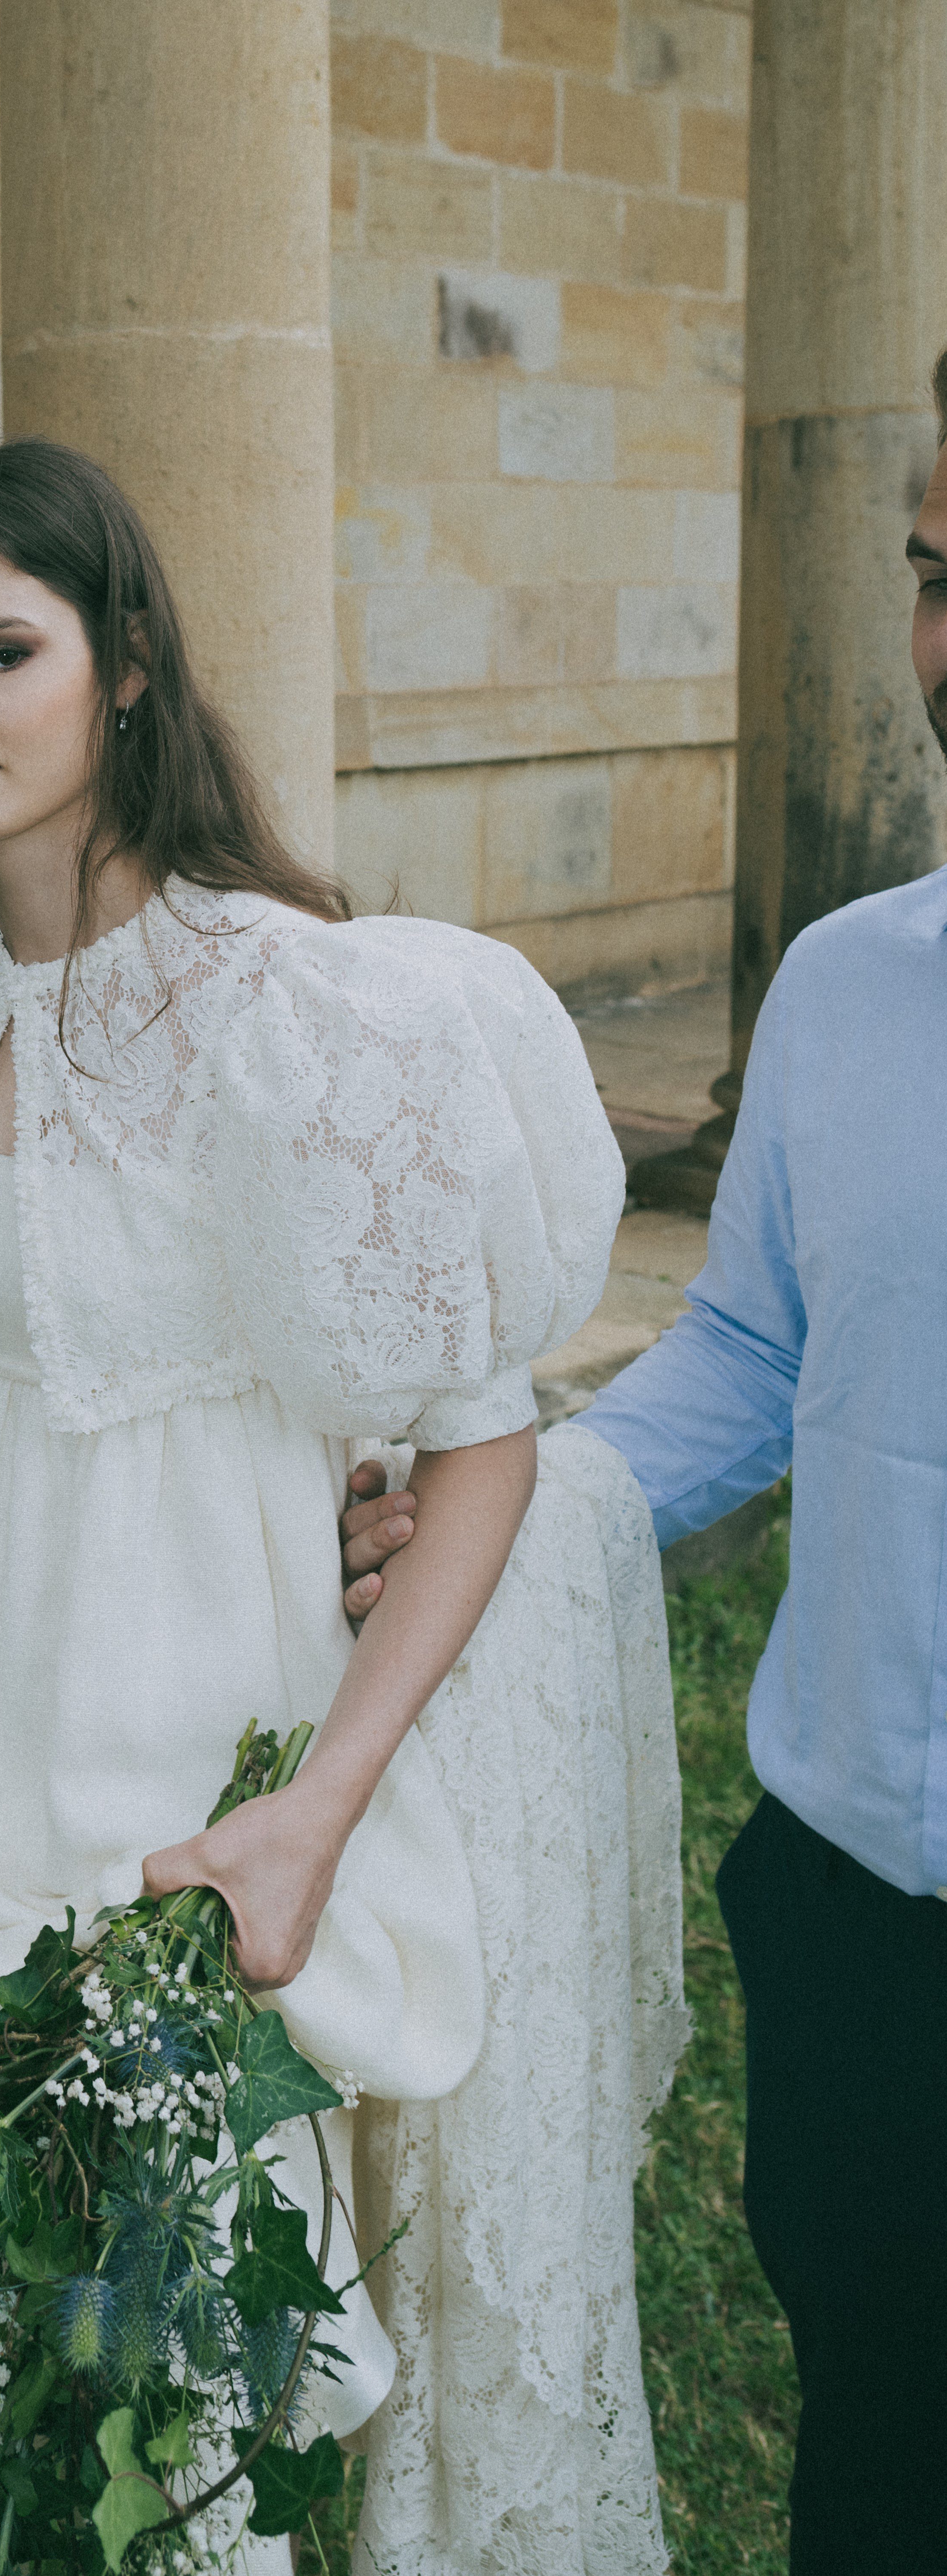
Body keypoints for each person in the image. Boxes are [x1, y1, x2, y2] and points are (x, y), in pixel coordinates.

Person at [0, 438, 688, 2573]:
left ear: (129, 666)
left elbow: (483, 1434)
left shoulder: (305, 1014)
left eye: (2, 652)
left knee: (174, 2375)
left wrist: (320, 1808)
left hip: (184, 1748)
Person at [344, 355, 947, 2574]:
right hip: (857, 1920)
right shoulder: (850, 997)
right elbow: (751, 1356)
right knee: (880, 2460)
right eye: (933, 576)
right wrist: (487, 1516)